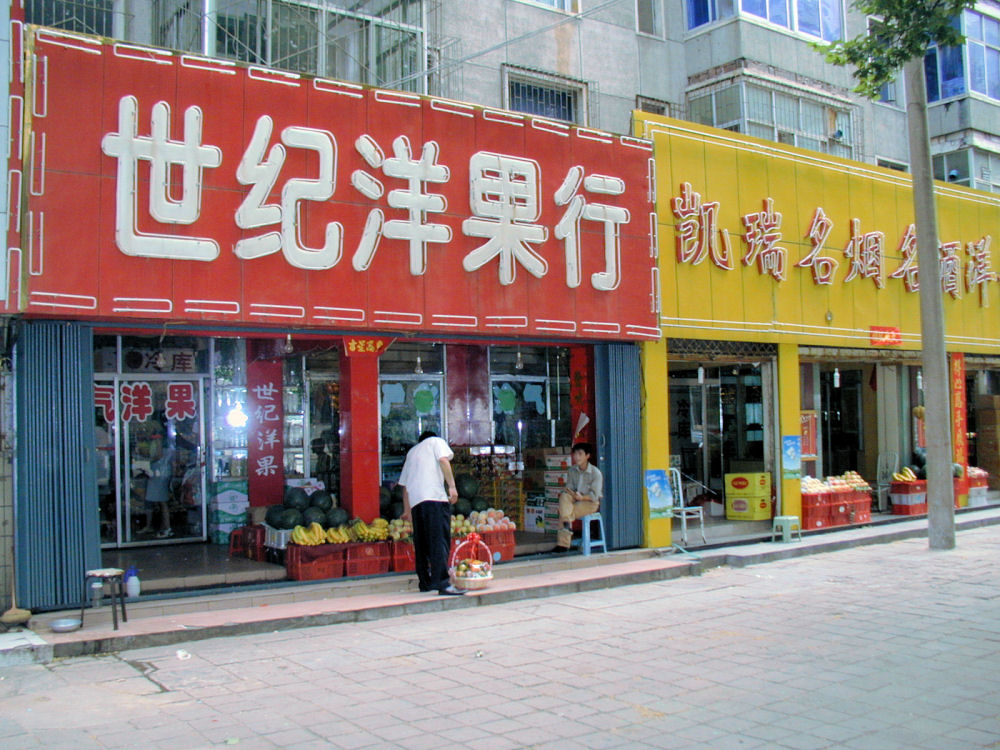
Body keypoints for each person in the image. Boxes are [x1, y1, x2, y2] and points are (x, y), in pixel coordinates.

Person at [398, 430, 465, 596]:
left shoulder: (412, 452)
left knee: (422, 544)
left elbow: (404, 487)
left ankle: (425, 582)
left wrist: (407, 511)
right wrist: (452, 486)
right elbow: (443, 460)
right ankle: (443, 583)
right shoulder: (436, 441)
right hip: (434, 498)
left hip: (416, 503)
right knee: (439, 541)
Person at [554, 442, 603, 551]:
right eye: (575, 454)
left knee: (564, 512)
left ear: (587, 456)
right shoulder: (572, 470)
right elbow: (569, 487)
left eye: (580, 454)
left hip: (589, 503)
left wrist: (582, 497)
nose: (577, 457)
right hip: (574, 499)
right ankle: (567, 528)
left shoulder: (596, 473)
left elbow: (595, 495)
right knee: (564, 497)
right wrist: (573, 494)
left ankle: (563, 544)